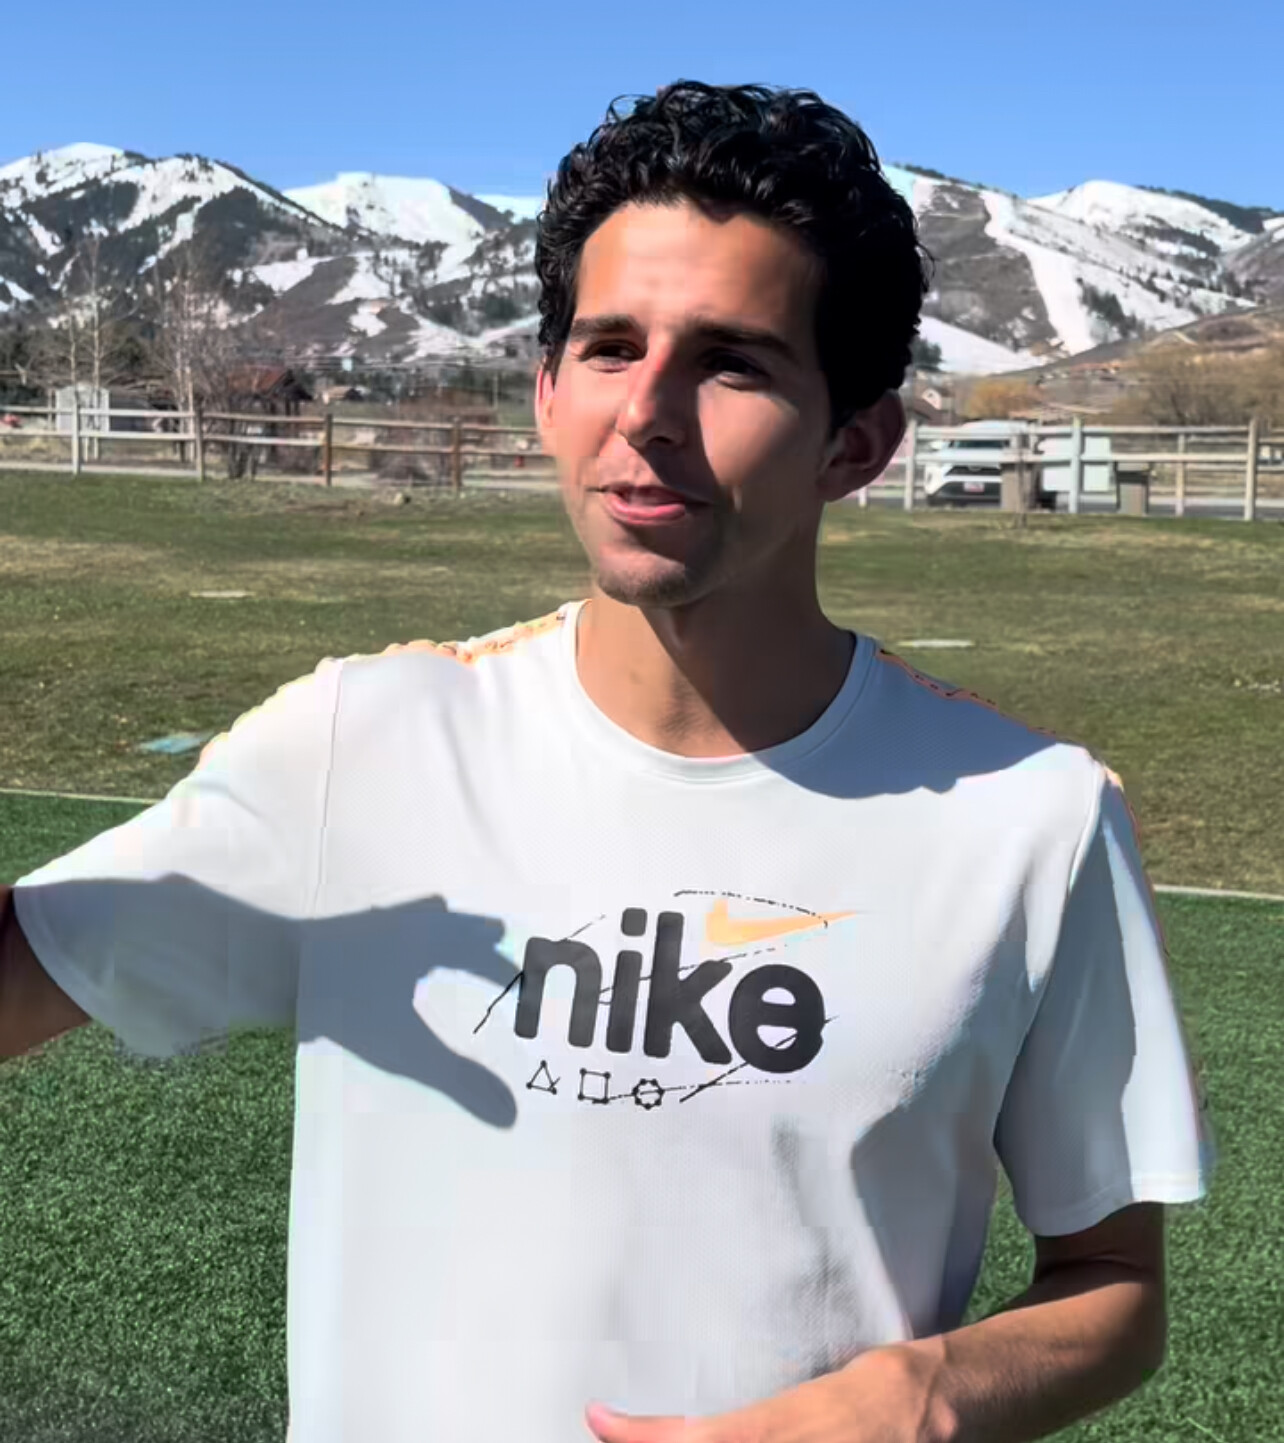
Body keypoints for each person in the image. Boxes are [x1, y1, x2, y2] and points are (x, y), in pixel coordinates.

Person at [0, 81, 1213, 1443]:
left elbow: (1114, 1285)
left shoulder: (1034, 818)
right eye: (610, 347)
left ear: (857, 444)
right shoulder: (361, 744)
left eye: (734, 362)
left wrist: (909, 1402)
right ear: (546, 392)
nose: (648, 411)